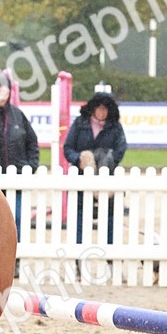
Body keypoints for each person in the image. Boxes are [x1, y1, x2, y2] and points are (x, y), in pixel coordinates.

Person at [0, 72, 39, 254]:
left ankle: (16, 257)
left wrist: (31, 165)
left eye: (6, 91)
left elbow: (32, 142)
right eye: (0, 91)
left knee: (17, 219)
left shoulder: (18, 115)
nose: (3, 95)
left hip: (17, 180)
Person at [63, 91, 127, 244]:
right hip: (82, 177)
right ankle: (78, 249)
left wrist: (107, 161)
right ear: (93, 108)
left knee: (109, 216)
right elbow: (68, 148)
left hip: (107, 178)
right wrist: (78, 160)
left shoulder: (115, 127)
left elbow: (120, 149)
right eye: (99, 108)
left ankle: (109, 250)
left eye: (105, 109)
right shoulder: (80, 124)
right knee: (80, 215)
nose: (101, 112)